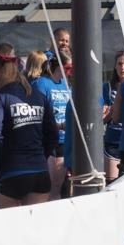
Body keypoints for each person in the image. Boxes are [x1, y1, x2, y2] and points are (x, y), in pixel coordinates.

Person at [0, 44, 59, 208]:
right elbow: (52, 134)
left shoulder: (0, 96)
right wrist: (41, 157)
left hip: (13, 172)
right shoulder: (38, 95)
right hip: (40, 174)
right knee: (32, 223)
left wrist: (1, 165)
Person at [31, 49, 71, 200]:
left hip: (63, 140)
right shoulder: (41, 84)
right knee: (47, 186)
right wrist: (59, 125)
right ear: (58, 66)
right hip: (47, 140)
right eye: (68, 68)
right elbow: (37, 114)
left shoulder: (66, 85)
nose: (70, 72)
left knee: (57, 186)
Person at [101, 51, 124, 184]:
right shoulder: (107, 88)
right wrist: (113, 111)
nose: (123, 67)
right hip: (113, 140)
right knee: (112, 183)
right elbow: (102, 119)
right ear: (115, 66)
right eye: (120, 64)